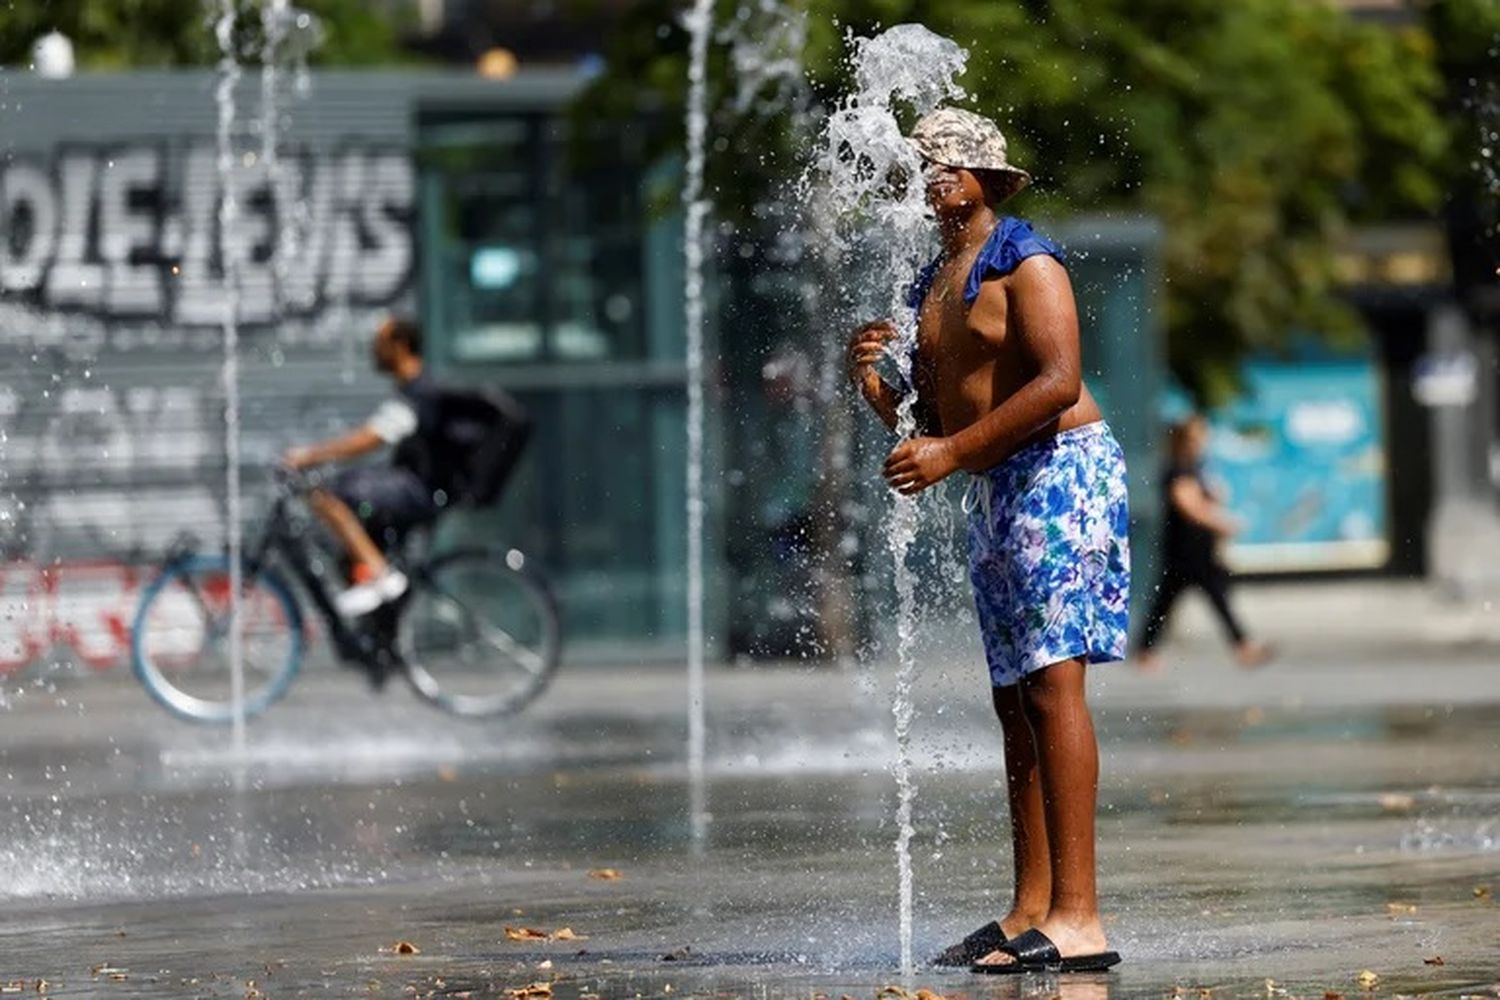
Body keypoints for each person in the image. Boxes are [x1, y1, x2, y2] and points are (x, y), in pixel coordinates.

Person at [848, 107, 1128, 974]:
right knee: (1014, 700)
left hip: (1062, 474)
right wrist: (878, 390)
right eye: (922, 164)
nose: (929, 177)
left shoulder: (1026, 260)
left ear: (983, 180)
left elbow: (1057, 382)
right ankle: (1030, 908)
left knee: (1052, 686)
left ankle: (1081, 916)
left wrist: (951, 455)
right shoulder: (939, 275)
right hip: (1001, 484)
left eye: (944, 165)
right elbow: (940, 415)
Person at [281, 316, 442, 618]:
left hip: (417, 489)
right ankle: (380, 622)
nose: (373, 351)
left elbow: (372, 438)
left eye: (380, 343)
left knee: (326, 495)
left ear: (401, 345)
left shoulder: (419, 390)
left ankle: (380, 575)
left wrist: (311, 455)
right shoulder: (413, 387)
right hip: (412, 486)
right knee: (348, 550)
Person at [1134, 415, 1273, 670]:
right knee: (1175, 600)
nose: (1202, 443)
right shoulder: (1178, 469)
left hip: (1198, 549)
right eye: (1198, 438)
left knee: (1187, 599)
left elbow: (1204, 500)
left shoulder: (1197, 468)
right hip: (1185, 550)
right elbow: (1189, 506)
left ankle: (1145, 649)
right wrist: (1221, 523)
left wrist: (1216, 497)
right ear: (1186, 440)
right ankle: (1242, 646)